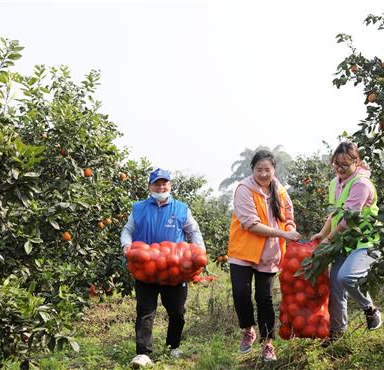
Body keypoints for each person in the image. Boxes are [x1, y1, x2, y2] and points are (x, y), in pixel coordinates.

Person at [121, 168, 206, 368]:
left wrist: (200, 251)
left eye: (164, 183)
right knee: (145, 311)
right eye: (157, 184)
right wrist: (126, 244)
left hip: (174, 271)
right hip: (146, 268)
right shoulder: (139, 208)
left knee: (177, 312)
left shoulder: (181, 208)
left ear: (170, 185)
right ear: (150, 186)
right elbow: (128, 230)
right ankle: (143, 353)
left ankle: (173, 346)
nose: (161, 187)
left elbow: (193, 231)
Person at [227, 149, 301, 362]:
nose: (263, 174)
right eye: (259, 169)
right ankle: (248, 329)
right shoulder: (244, 189)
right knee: (241, 293)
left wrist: (289, 227)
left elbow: (288, 215)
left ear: (274, 170)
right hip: (243, 251)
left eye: (267, 170)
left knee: (264, 298)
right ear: (252, 170)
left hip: (269, 254)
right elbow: (250, 224)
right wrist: (282, 233)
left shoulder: (280, 191)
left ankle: (268, 343)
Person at [311, 141, 382, 340]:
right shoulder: (335, 182)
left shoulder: (361, 183)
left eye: (345, 165)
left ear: (356, 162)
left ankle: (370, 310)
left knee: (346, 278)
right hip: (343, 243)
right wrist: (322, 234)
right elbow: (333, 215)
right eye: (336, 164)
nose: (340, 168)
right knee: (335, 288)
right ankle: (337, 333)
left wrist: (328, 240)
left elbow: (347, 220)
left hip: (366, 241)